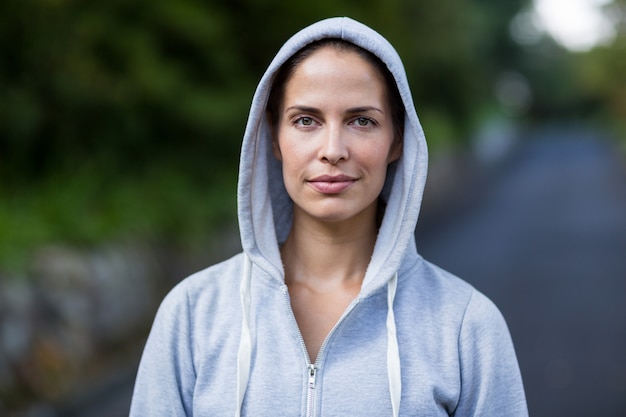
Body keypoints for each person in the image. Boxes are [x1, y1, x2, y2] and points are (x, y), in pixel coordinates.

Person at [129, 17, 528, 416]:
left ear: (397, 140)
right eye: (306, 120)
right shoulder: (193, 314)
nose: (333, 149)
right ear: (273, 136)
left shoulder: (465, 325)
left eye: (362, 121)